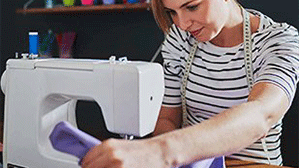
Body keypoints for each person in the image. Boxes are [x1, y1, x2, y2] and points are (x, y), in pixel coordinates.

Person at [81, 0, 299, 167]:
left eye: (192, 7)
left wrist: (159, 152)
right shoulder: (180, 39)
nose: (183, 23)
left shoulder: (279, 40)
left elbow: (260, 115)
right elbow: (166, 119)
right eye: (172, 12)